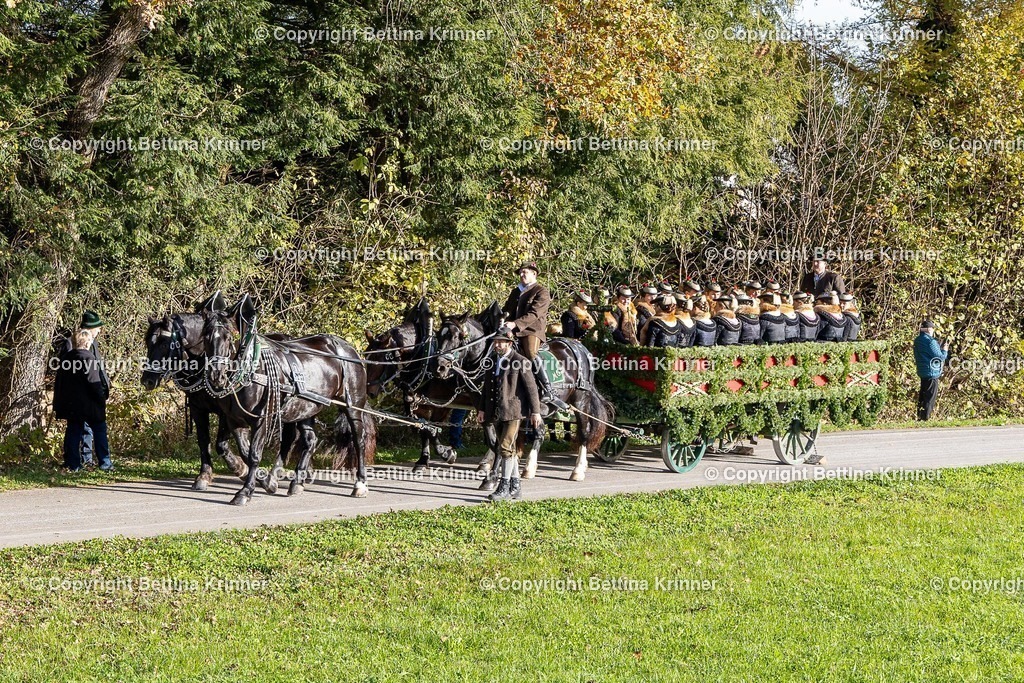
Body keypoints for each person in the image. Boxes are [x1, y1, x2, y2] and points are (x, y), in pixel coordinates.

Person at [479, 330, 543, 501]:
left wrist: (535, 412)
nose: (498, 345)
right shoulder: (492, 361)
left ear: (509, 343)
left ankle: (504, 486)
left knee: (505, 448)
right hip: (496, 411)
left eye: (501, 342)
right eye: (496, 342)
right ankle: (516, 486)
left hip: (514, 411)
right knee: (510, 450)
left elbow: (531, 389)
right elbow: (486, 388)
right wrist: (482, 409)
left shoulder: (520, 361)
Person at [53, 329, 113, 472]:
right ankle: (105, 463)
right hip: (90, 404)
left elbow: (60, 382)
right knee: (99, 430)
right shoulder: (88, 358)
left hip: (72, 404)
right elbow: (94, 383)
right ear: (87, 342)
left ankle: (72, 464)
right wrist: (101, 399)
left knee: (73, 432)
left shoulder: (67, 358)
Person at [502, 261, 559, 406]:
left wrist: (515, 324)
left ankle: (548, 389)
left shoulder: (541, 291)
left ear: (534, 273)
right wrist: (504, 323)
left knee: (531, 352)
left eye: (524, 272)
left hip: (532, 330)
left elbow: (535, 314)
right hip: (512, 330)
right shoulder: (516, 292)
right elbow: (507, 310)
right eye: (520, 272)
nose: (521, 275)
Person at [913, 320, 948, 421]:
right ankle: (925, 418)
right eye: (932, 329)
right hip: (932, 372)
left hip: (922, 371)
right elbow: (940, 357)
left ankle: (919, 416)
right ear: (929, 329)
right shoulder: (930, 341)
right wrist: (944, 350)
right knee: (930, 398)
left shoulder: (917, 340)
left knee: (923, 396)